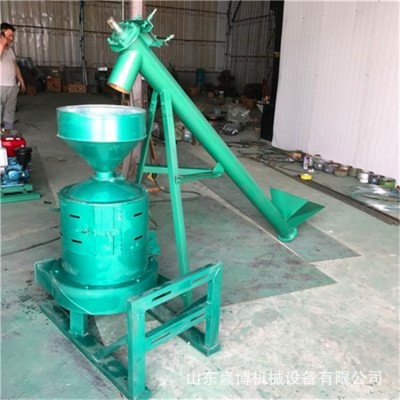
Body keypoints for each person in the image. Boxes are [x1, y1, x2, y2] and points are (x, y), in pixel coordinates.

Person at [0, 22, 25, 130]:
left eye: (12, 36)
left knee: (9, 111)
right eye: (9, 35)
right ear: (1, 34)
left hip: (12, 86)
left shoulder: (10, 50)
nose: (11, 38)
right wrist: (1, 44)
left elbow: (15, 65)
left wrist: (21, 80)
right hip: (1, 85)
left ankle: (8, 131)